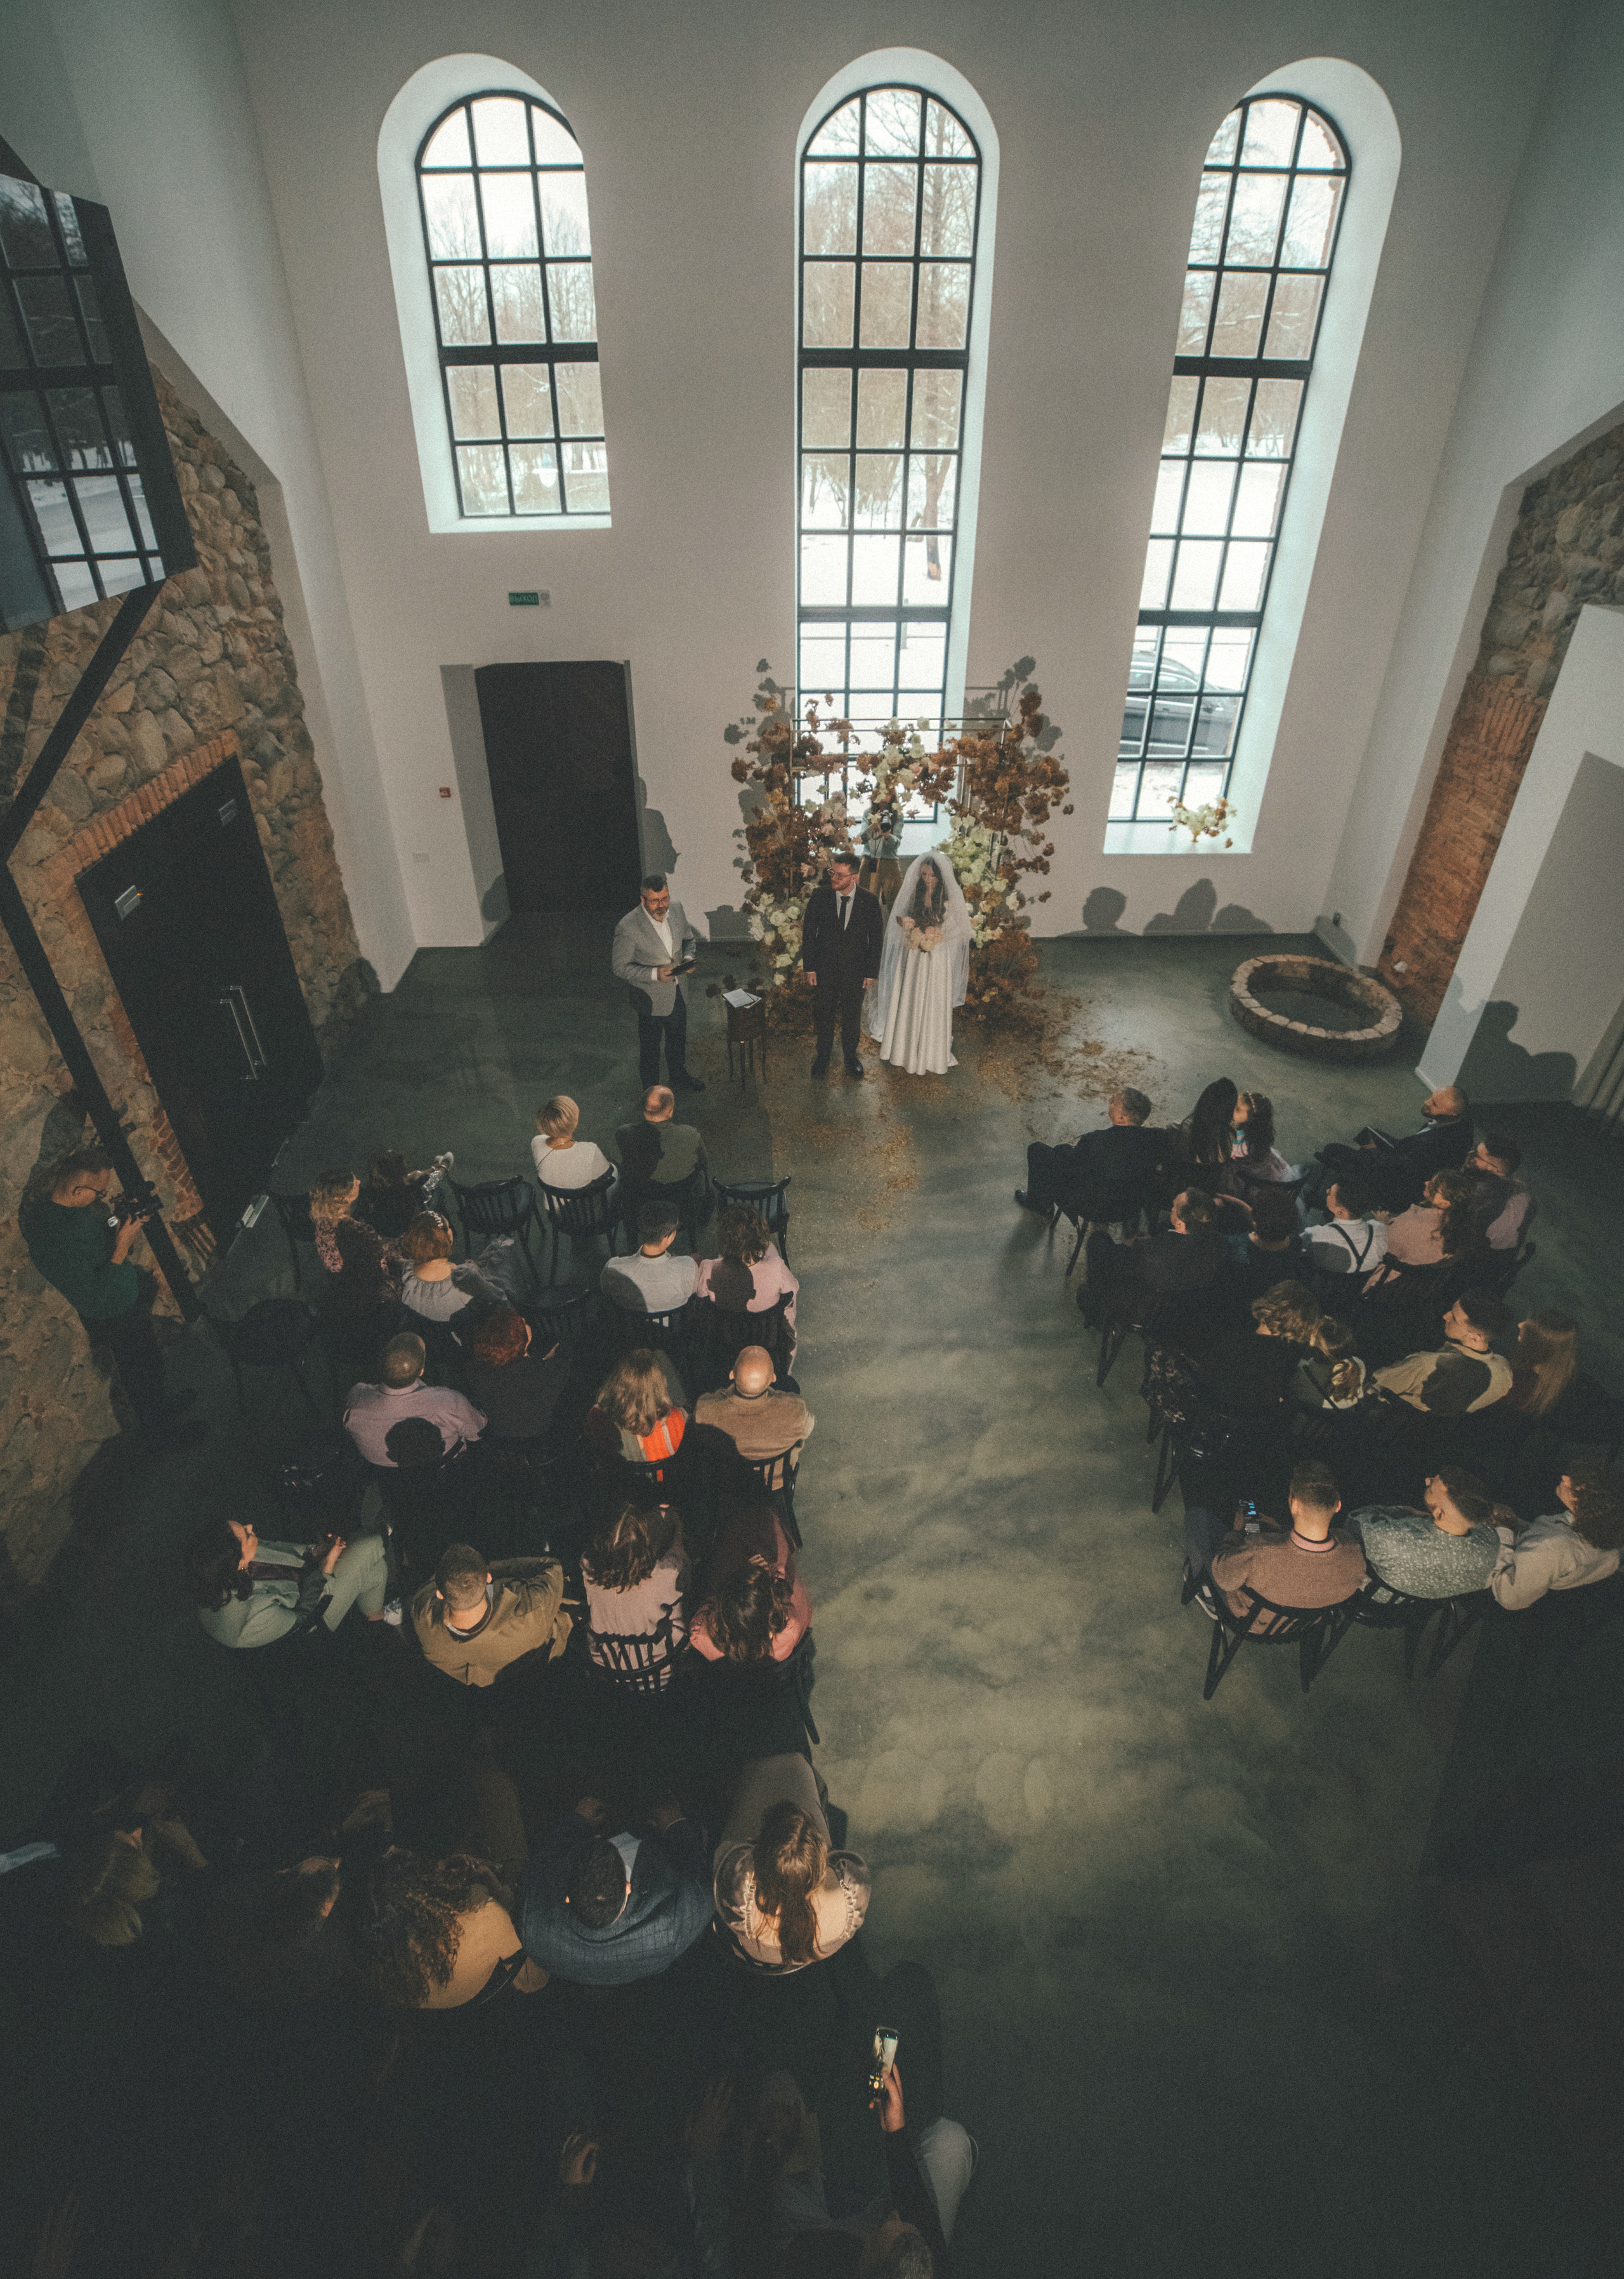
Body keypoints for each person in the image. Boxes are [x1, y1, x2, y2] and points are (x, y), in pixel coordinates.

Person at [18, 1146, 205, 1451]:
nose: (103, 1197)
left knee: (150, 1362)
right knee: (139, 1373)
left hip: (125, 1299)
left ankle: (162, 1407)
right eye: (100, 1192)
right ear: (78, 1188)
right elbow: (93, 1292)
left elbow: (95, 1238)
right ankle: (163, 1437)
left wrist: (118, 1222)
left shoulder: (60, 1208)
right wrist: (122, 1244)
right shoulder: (52, 1238)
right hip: (111, 1312)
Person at [517, 1795, 712, 1987]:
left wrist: (577, 1821)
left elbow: (542, 1861)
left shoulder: (532, 1926)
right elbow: (703, 1878)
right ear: (628, 1887)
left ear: (567, 1897)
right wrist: (675, 1825)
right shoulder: (672, 1929)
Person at [712, 1752, 870, 1971]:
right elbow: (837, 1858)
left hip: (748, 1953)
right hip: (806, 1957)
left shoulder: (737, 1889)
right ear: (821, 1861)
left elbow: (729, 1851)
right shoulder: (854, 1893)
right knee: (801, 1768)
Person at [344, 1848, 546, 2008]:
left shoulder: (380, 1960)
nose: (394, 1848)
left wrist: (438, 1871)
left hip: (464, 2001)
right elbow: (531, 1974)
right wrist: (492, 1883)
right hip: (518, 1976)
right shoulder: (478, 1908)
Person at [1184, 1460, 1366, 1625]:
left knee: (1197, 1517)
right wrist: (1280, 1531)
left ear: (1294, 1504)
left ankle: (1208, 1596)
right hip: (1299, 1625)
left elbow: (1223, 1576)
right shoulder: (1355, 1556)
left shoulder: (1260, 1551)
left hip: (1255, 1622)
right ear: (1338, 1506)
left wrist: (1236, 1533)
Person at [188, 1515, 391, 1645]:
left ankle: (374, 1616)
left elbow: (277, 1549)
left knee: (375, 1568)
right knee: (368, 1546)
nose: (250, 1526)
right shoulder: (249, 1618)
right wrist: (325, 1570)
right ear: (239, 1564)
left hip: (301, 1589)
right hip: (309, 1624)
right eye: (247, 1535)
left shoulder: (226, 1561)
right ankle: (389, 1530)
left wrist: (315, 1552)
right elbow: (306, 1618)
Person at [865, 853, 972, 1079]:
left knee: (932, 998)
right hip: (915, 956)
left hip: (937, 957)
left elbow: (960, 930)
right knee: (911, 996)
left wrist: (935, 936)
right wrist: (908, 925)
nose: (928, 879)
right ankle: (905, 1047)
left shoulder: (949, 900)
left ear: (941, 876)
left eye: (932, 875)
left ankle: (930, 1050)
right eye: (923, 874)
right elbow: (903, 917)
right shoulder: (917, 894)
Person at [411, 1541, 572, 1687]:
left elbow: (428, 1588)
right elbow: (552, 1566)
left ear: (440, 1594)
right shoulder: (532, 1610)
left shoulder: (423, 1617)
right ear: (488, 1577)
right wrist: (495, 1568)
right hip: (534, 1667)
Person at [1080, 1187, 1227, 1343]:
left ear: (1181, 1224)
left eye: (1175, 1206)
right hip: (1182, 1316)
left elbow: (1118, 1268)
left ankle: (1096, 1308)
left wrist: (1126, 1247)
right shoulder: (1221, 1245)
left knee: (1099, 1241)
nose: (1172, 1204)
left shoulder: (1147, 1253)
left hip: (1144, 1312)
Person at [579, 1501, 690, 1691]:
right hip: (660, 1675)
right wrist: (676, 1527)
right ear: (643, 1540)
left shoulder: (589, 1568)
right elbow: (679, 1555)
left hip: (609, 1675)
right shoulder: (666, 1574)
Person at [1312, 1084, 1474, 1211]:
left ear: (1451, 1114)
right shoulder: (1457, 1122)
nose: (1427, 1102)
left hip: (1403, 1181)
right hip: (1408, 1156)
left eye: (1434, 1103)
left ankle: (1346, 1177)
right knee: (1369, 1135)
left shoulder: (1437, 1144)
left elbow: (1400, 1165)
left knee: (1333, 1150)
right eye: (1431, 1098)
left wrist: (1373, 1152)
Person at [1349, 1468, 1503, 1600]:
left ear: (1439, 1514)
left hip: (1378, 1596)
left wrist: (1408, 1512)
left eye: (1431, 1488)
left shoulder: (1389, 1539)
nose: (1426, 1481)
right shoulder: (1491, 1541)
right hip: (1422, 1600)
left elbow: (1353, 1520)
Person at [612, 873, 704, 1093]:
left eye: (665, 898)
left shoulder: (678, 909)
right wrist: (654, 974)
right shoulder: (627, 927)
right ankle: (651, 1092)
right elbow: (619, 967)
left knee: (677, 1041)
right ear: (643, 900)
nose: (662, 905)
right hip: (650, 1001)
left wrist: (688, 959)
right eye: (655, 901)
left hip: (679, 992)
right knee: (651, 1050)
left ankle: (679, 1078)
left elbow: (689, 940)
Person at [310, 1165, 403, 1377]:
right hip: (369, 1298)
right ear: (343, 1199)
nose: (360, 1182)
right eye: (354, 1183)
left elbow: (336, 1264)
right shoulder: (359, 1232)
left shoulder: (321, 1222)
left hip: (340, 1288)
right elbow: (380, 1269)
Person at [1014, 1086, 1162, 1218]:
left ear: (1122, 1117)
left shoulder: (1095, 1141)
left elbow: (1070, 1169)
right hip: (1130, 1208)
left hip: (1094, 1208)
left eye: (1114, 1101)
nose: (1110, 1100)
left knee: (1037, 1150)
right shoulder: (1157, 1139)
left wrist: (1064, 1149)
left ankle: (1041, 1205)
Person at [690, 1502, 811, 1662]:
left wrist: (738, 1573)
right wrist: (770, 1575)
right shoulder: (790, 1628)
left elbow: (709, 1601)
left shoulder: (701, 1634)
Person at [343, 1332, 485, 1466]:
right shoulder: (450, 1401)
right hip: (442, 1467)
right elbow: (477, 1431)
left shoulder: (357, 1395)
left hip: (382, 1473)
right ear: (422, 1370)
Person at [802, 850, 884, 1079]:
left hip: (856, 971)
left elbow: (876, 940)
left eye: (840, 875)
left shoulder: (869, 902)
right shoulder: (820, 897)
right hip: (824, 969)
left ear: (855, 877)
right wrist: (810, 967)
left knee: (851, 1016)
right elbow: (809, 934)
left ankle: (851, 1057)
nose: (834, 878)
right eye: (832, 873)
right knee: (824, 1014)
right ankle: (823, 1056)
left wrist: (871, 973)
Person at [1490, 1470, 1624, 1608]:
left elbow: (1510, 1598)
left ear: (1592, 1505)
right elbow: (1540, 1540)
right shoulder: (1592, 1522)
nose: (1565, 1478)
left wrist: (1502, 1531)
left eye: (1576, 1486)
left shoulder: (1552, 1548)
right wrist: (1516, 1524)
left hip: (1523, 1599)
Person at [1373, 1290, 1515, 1415]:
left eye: (1454, 1318)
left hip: (1393, 1413)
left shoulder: (1425, 1364)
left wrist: (1400, 1368)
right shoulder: (1505, 1371)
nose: (1445, 1316)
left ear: (1476, 1337)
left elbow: (1377, 1384)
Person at [695, 1200, 800, 1347]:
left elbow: (700, 1297)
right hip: (765, 1340)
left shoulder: (708, 1268)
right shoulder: (777, 1268)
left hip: (726, 1341)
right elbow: (793, 1289)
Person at [461, 1304, 568, 1443]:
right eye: (521, 1323)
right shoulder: (556, 1371)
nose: (523, 1319)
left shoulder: (473, 1373)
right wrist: (545, 1363)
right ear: (526, 1340)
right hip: (547, 1439)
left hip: (501, 1441)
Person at [695, 1344, 816, 1463]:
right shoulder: (796, 1411)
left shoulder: (704, 1410)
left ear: (732, 1374)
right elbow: (807, 1429)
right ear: (773, 1378)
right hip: (774, 1481)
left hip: (725, 1480)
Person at [613, 1085, 710, 1230]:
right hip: (681, 1205)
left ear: (643, 1110)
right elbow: (704, 1162)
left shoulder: (624, 1133)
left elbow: (619, 1164)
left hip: (643, 1203)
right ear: (670, 1112)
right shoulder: (690, 1135)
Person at [1366, 1169, 1479, 1288]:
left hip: (1382, 1281)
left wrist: (1381, 1223)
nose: (1426, 1183)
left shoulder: (1416, 1223)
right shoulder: (1458, 1225)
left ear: (1445, 1203)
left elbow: (1380, 1245)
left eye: (1433, 1187)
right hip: (1414, 1286)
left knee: (1366, 1217)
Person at [398, 1210, 502, 1327]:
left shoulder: (407, 1271)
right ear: (449, 1236)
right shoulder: (467, 1277)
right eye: (449, 1227)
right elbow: (497, 1297)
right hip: (466, 1331)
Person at [600, 1200, 700, 1313]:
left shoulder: (612, 1268)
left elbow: (607, 1293)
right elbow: (694, 1294)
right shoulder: (689, 1267)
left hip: (632, 1328)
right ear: (668, 1237)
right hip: (674, 1328)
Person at [1300, 1176, 1390, 1280]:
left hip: (1322, 1284)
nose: (1327, 1190)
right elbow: (1380, 1230)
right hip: (1361, 1288)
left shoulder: (1315, 1235)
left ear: (1340, 1211)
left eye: (1330, 1193)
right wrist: (1382, 1222)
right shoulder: (1381, 1230)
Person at [355, 1146, 453, 1240]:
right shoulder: (409, 1192)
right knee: (434, 1190)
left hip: (381, 1235)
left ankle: (433, 1168)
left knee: (416, 1177)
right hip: (404, 1241)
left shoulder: (370, 1193)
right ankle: (441, 1170)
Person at [1230, 1184, 1307, 1300]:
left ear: (1255, 1222)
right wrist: (1240, 1203)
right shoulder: (1296, 1241)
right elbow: (1272, 1221)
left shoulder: (1235, 1245)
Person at [1466, 1131, 1536, 1252]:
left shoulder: (1480, 1195)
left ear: (1497, 1170)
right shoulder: (1520, 1187)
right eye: (1474, 1148)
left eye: (1477, 1156)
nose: (1469, 1154)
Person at [531, 1095, 615, 1191]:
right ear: (575, 1122)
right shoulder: (590, 1150)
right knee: (613, 1171)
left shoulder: (536, 1142)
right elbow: (606, 1177)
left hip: (552, 1205)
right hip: (583, 1204)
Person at [1503, 1309, 1578, 1416]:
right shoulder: (1556, 1377)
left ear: (1538, 1342)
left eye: (1528, 1327)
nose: (1520, 1325)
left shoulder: (1518, 1384)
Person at [1169, 1078, 1238, 1190]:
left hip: (1177, 1188)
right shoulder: (1230, 1137)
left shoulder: (1177, 1129)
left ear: (1203, 1101)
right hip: (1207, 1192)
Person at [1290, 1314, 1367, 1413]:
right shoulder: (1357, 1363)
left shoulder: (1302, 1370)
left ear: (1313, 1346)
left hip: (1312, 1420)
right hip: (1341, 1419)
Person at [1227, 1091, 1293, 1186]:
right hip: (1265, 1167)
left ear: (1251, 1119)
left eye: (1237, 1110)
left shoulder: (1243, 1146)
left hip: (1245, 1179)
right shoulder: (1259, 1134)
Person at [858, 796, 904, 911]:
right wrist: (872, 826)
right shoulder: (868, 813)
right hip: (870, 860)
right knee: (865, 905)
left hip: (890, 862)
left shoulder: (898, 815)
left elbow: (896, 844)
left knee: (897, 904)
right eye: (881, 793)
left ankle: (896, 929)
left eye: (887, 794)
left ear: (892, 795)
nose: (884, 798)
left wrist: (887, 835)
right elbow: (862, 840)